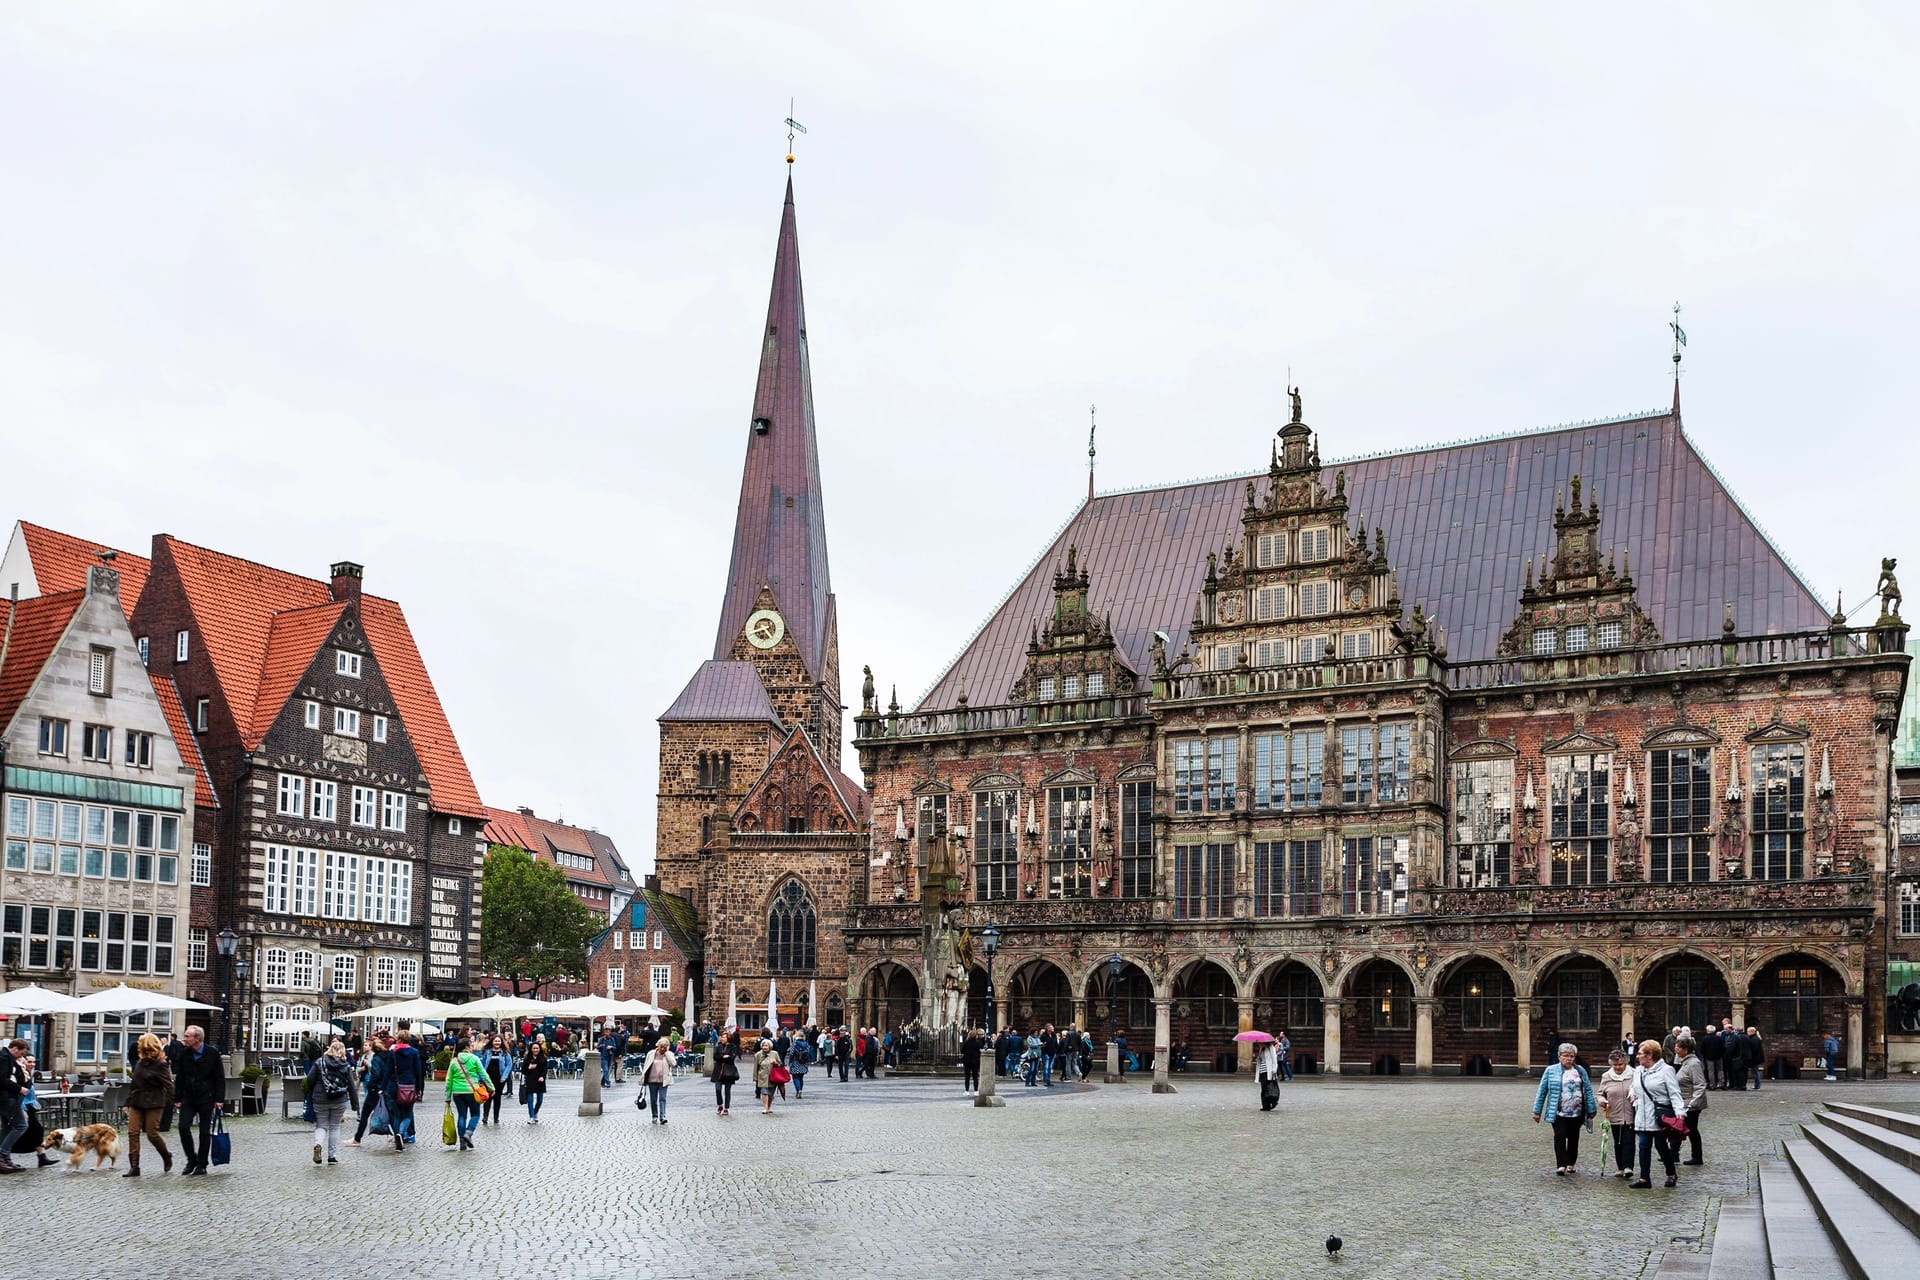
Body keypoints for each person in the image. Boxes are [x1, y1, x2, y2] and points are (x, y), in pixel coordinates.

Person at [1530, 1043, 1597, 1175]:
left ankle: (1571, 1163)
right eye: (1566, 1056)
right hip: (1558, 1111)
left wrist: (1591, 1109)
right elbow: (1542, 1091)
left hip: (1577, 1111)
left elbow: (1588, 1090)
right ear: (1559, 1057)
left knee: (1573, 1138)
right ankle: (1561, 1164)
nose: (1569, 1058)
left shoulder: (1580, 1071)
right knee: (1559, 1136)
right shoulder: (1550, 1070)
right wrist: (1536, 1111)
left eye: (1571, 1056)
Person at [167, 1025, 224, 1175]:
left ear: (197, 1039)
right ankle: (191, 1158)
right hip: (189, 1097)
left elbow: (219, 1077)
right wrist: (177, 1098)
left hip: (206, 1097)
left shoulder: (212, 1053)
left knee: (204, 1132)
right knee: (183, 1127)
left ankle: (202, 1164)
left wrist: (219, 1099)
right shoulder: (185, 1053)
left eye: (187, 1036)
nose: (184, 1039)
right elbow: (180, 1078)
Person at [1629, 1039, 1684, 1189]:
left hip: (1659, 1116)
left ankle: (1671, 1174)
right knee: (1643, 1146)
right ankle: (1644, 1178)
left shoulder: (1666, 1070)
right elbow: (1634, 1087)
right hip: (1642, 1114)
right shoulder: (1639, 1070)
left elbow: (1674, 1093)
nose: (1637, 1056)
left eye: (1640, 1054)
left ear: (1650, 1055)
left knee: (1661, 1147)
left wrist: (1679, 1112)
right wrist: (1632, 1094)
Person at [124, 1033, 175, 1177]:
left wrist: (177, 1100)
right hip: (137, 1101)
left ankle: (166, 1155)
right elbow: (134, 1084)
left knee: (152, 1134)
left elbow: (168, 1085)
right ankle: (134, 1166)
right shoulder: (140, 1063)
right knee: (133, 1132)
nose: (138, 1045)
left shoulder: (161, 1064)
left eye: (140, 1043)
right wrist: (127, 1102)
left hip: (154, 1101)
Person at [306, 1038, 359, 1165]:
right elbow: (352, 1086)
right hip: (339, 1100)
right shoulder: (345, 1066)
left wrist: (312, 1091)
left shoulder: (319, 1062)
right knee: (335, 1127)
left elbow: (309, 1079)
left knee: (321, 1125)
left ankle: (318, 1144)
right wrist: (355, 1104)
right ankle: (332, 1157)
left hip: (320, 1099)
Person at [1596, 1049, 1637, 1179]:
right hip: (1614, 1114)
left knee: (1629, 1140)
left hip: (1631, 1114)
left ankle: (1628, 1167)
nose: (1618, 1067)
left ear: (1625, 1063)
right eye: (1615, 1065)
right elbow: (1600, 1093)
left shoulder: (1634, 1074)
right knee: (1618, 1141)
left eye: (1620, 1064)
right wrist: (1602, 1101)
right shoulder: (1606, 1076)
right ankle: (1620, 1167)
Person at [445, 1035, 488, 1151]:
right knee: (475, 1114)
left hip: (457, 1092)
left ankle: (462, 1142)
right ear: (467, 1046)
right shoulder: (474, 1059)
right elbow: (483, 1074)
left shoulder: (454, 1061)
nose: (473, 1046)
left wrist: (447, 1096)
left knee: (462, 1115)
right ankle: (468, 1133)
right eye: (471, 1044)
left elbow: (449, 1080)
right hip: (471, 1091)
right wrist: (491, 1087)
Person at [385, 1029, 425, 1150]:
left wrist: (383, 1087)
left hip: (394, 1086)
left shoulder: (392, 1053)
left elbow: (387, 1071)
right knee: (408, 1113)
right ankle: (401, 1134)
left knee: (397, 1114)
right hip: (409, 1086)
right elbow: (418, 1071)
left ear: (399, 1039)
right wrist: (419, 1088)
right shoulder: (414, 1052)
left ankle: (398, 1133)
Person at [348, 1032, 390, 1146]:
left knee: (365, 1114)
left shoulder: (376, 1058)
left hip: (375, 1090)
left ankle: (357, 1138)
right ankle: (398, 1136)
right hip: (387, 1088)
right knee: (390, 1113)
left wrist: (372, 1085)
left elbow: (376, 1074)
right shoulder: (388, 1056)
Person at [1673, 1035, 1708, 1168]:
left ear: (1685, 1049)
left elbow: (1700, 1085)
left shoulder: (1693, 1064)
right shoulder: (1685, 1062)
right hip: (1684, 1101)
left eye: (1678, 1047)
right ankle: (1674, 1153)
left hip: (1691, 1104)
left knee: (1689, 1130)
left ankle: (1695, 1156)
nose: (1675, 1049)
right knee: (1681, 1128)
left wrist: (1693, 1103)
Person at [0, 1039, 33, 1174]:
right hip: (6, 1098)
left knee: (8, 1127)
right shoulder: (3, 1058)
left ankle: (5, 1158)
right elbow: (1, 1079)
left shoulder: (10, 1059)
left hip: (8, 1098)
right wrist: (19, 1089)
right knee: (21, 1125)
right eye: (21, 1053)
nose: (22, 1056)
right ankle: (2, 1154)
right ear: (15, 1049)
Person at [638, 1036, 673, 1125]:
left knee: (662, 1098)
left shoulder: (669, 1054)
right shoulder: (651, 1054)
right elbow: (646, 1065)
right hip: (652, 1080)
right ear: (658, 1046)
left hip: (663, 1080)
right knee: (653, 1099)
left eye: (665, 1047)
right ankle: (654, 1115)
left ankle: (663, 1116)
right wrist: (643, 1078)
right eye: (661, 1046)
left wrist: (667, 1053)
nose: (663, 1049)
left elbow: (673, 1063)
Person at [479, 1034, 513, 1126]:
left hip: (500, 1079)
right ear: (492, 1042)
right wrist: (480, 1077)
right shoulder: (487, 1052)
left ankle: (496, 1117)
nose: (497, 1043)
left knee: (497, 1098)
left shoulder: (505, 1053)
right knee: (487, 1097)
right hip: (488, 1078)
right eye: (495, 1041)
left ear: (501, 1042)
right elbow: (481, 1065)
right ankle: (485, 1116)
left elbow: (509, 1065)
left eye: (499, 1041)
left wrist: (504, 1077)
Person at [519, 1038, 548, 1124]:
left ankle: (535, 1112)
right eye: (534, 1048)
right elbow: (523, 1071)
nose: (535, 1050)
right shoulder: (527, 1059)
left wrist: (542, 1077)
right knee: (530, 1100)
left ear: (540, 1049)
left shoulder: (543, 1059)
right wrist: (529, 1068)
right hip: (530, 1080)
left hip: (540, 1081)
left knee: (539, 1100)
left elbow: (545, 1070)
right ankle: (531, 1116)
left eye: (537, 1048)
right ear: (531, 1049)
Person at [711, 1027, 740, 1115]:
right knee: (718, 1089)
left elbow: (731, 1058)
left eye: (724, 1037)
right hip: (718, 1070)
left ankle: (726, 1108)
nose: (722, 1038)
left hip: (729, 1071)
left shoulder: (733, 1047)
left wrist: (725, 1057)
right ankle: (720, 1104)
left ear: (728, 1038)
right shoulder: (719, 1046)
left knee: (727, 1091)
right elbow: (715, 1057)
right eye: (722, 1037)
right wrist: (723, 1056)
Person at [754, 1038, 779, 1114]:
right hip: (762, 1076)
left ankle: (769, 1106)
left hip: (773, 1077)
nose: (765, 1047)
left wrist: (776, 1063)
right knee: (764, 1092)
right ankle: (765, 1107)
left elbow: (780, 1064)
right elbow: (756, 1067)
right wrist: (755, 1078)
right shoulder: (758, 1055)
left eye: (766, 1045)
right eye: (764, 1045)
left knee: (771, 1093)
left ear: (770, 1046)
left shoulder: (774, 1053)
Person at [1255, 1038, 1280, 1112]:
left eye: (1259, 1042)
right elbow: (1261, 1060)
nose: (1258, 1043)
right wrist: (1258, 1058)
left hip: (1268, 1071)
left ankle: (1272, 1102)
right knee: (1263, 1088)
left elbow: (1274, 1059)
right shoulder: (1261, 1049)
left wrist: (1274, 1069)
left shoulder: (1270, 1048)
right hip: (1262, 1071)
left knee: (1269, 1088)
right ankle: (1265, 1105)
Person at [786, 1031, 813, 1099]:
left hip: (795, 1062)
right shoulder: (806, 1044)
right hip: (804, 1062)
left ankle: (798, 1090)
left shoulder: (795, 1043)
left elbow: (791, 1053)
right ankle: (800, 1090)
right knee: (801, 1077)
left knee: (795, 1077)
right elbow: (809, 1052)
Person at [1698, 1021, 1723, 1090]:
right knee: (1720, 1070)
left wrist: (1705, 1055)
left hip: (1709, 1057)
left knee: (1711, 1071)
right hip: (1718, 1056)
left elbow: (1702, 1049)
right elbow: (1722, 1048)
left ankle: (1712, 1085)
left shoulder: (1705, 1038)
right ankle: (1721, 1083)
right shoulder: (1718, 1038)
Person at [961, 1028, 984, 1097]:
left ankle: (967, 1091)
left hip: (967, 1061)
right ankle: (976, 1091)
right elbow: (981, 1049)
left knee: (967, 1077)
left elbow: (962, 1051)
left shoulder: (966, 1042)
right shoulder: (978, 1043)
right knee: (975, 1077)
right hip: (975, 1061)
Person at [1746, 1027, 1765, 1091]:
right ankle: (1757, 1085)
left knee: (1755, 1072)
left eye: (1748, 1031)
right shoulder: (1756, 1038)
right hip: (1756, 1058)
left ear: (1752, 1032)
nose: (1747, 1033)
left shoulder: (1754, 1039)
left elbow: (1754, 1050)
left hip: (1755, 1058)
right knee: (1755, 1072)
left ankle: (1757, 1085)